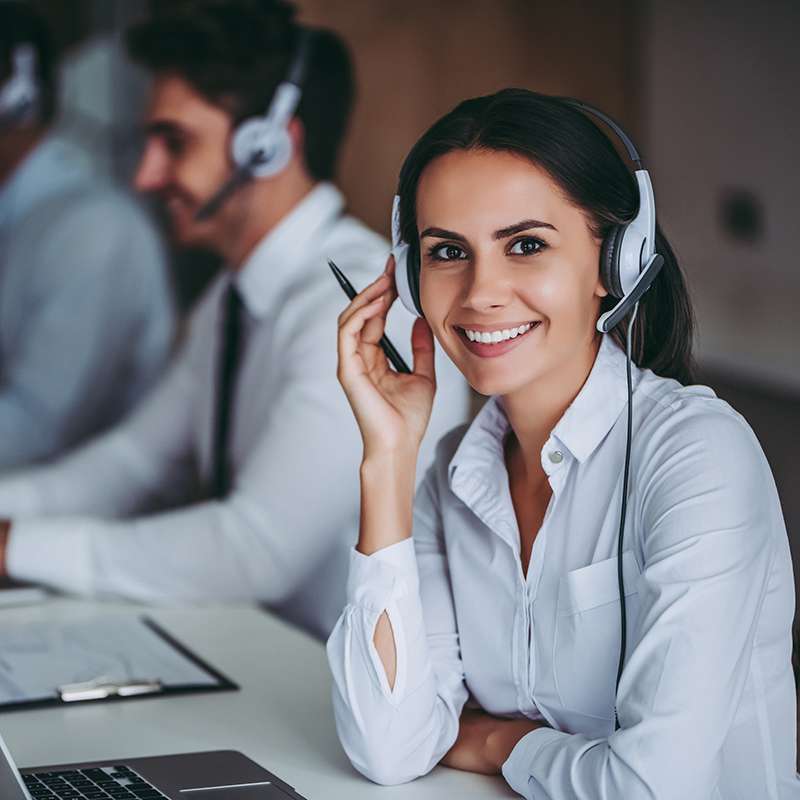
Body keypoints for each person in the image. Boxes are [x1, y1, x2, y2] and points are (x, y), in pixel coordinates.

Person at [327, 89, 797, 798]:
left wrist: (499, 740)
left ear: (617, 265)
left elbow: (648, 788)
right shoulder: (452, 473)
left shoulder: (700, 459)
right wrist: (387, 462)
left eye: (526, 245)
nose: (482, 292)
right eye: (447, 251)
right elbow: (390, 749)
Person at [0, 0, 468, 640]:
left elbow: (253, 549)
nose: (145, 176)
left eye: (175, 143)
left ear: (270, 145)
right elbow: (131, 463)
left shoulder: (361, 302)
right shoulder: (232, 296)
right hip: (268, 660)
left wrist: (14, 549)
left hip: (363, 693)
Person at [0, 1, 174, 470]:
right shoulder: (19, 218)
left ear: (17, 97)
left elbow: (38, 426)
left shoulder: (95, 230)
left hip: (80, 520)